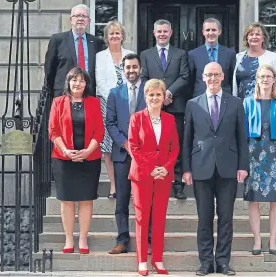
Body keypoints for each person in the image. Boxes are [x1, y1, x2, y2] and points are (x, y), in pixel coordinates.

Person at [182, 62, 248, 276]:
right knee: (204, 218)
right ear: (203, 77)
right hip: (201, 167)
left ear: (223, 77)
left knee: (226, 218)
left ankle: (223, 262)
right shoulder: (193, 104)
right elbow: (187, 139)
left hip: (228, 166)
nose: (212, 78)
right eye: (209, 75)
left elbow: (241, 137)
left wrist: (243, 166)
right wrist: (186, 169)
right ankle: (205, 262)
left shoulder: (236, 103)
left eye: (216, 75)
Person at [48, 67, 104, 254]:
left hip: (90, 158)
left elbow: (99, 131)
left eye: (81, 80)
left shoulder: (94, 103)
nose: (77, 83)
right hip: (64, 158)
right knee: (67, 200)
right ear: (68, 82)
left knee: (86, 199)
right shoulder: (57, 102)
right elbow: (53, 131)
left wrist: (88, 151)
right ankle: (69, 238)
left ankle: (83, 238)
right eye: (74, 80)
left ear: (86, 84)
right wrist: (65, 150)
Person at [128, 79, 180, 276]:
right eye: (151, 94)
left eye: (158, 94)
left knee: (159, 218)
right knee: (142, 218)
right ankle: (142, 261)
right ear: (145, 96)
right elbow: (133, 147)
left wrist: (166, 168)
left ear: (164, 96)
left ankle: (157, 259)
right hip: (142, 174)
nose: (155, 98)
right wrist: (150, 167)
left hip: (163, 175)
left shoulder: (170, 119)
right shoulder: (136, 118)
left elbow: (174, 147)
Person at [243, 65, 276, 256]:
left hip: (275, 155)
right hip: (252, 155)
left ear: (274, 80)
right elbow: (241, 134)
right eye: (261, 76)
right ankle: (257, 241)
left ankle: (272, 240)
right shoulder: (247, 102)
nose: (265, 79)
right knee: (253, 200)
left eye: (268, 76)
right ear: (257, 79)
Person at [140, 19, 189, 200]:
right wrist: (157, 96)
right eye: (159, 31)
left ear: (171, 33)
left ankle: (177, 184)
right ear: (154, 33)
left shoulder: (181, 54)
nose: (162, 34)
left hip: (175, 106)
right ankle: (155, 180)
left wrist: (168, 93)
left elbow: (185, 77)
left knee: (175, 145)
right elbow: (144, 78)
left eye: (165, 31)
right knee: (153, 145)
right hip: (153, 108)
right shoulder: (145, 55)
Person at [105, 53, 146, 254]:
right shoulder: (114, 93)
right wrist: (124, 143)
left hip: (145, 155)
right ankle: (123, 240)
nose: (131, 70)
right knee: (121, 199)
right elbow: (110, 123)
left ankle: (146, 240)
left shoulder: (149, 91)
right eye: (128, 67)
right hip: (122, 154)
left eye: (134, 67)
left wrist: (139, 145)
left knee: (146, 200)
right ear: (123, 70)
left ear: (140, 68)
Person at [96, 20, 134, 199]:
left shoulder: (130, 54)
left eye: (117, 33)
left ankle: (132, 183)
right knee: (109, 146)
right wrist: (113, 98)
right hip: (106, 102)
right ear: (106, 37)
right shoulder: (99, 56)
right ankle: (114, 185)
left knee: (130, 142)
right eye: (111, 33)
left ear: (122, 36)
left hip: (129, 102)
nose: (114, 36)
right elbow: (100, 81)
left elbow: (135, 77)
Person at [44, 4, 103, 97]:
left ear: (89, 21)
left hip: (89, 94)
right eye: (77, 15)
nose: (81, 19)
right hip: (63, 94)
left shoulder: (96, 42)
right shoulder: (57, 40)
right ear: (71, 20)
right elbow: (49, 70)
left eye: (84, 16)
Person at [232, 22, 276, 99]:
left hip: (265, 104)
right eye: (251, 34)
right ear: (247, 38)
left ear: (263, 38)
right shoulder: (238, 57)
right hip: (241, 105)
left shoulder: (273, 57)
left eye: (258, 34)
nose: (254, 37)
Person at [188, 18, 236, 97]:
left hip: (225, 98)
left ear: (219, 31)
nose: (210, 33)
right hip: (200, 99)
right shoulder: (193, 54)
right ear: (203, 32)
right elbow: (190, 81)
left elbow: (232, 79)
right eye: (207, 30)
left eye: (214, 30)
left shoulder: (230, 54)